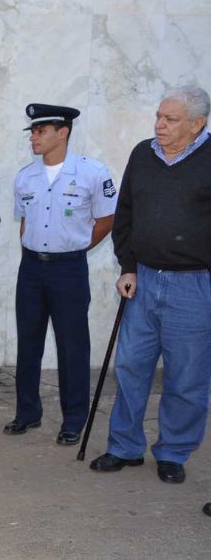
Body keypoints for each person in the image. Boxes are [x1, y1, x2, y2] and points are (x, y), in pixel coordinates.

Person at [90, 85, 210, 485]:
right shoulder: (144, 153)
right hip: (142, 279)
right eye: (159, 116)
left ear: (197, 124)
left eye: (170, 119)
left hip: (194, 286)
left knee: (186, 376)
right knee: (130, 367)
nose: (159, 125)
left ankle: (173, 451)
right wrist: (127, 266)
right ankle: (125, 447)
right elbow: (125, 212)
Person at [7, 104, 117, 445]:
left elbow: (106, 219)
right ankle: (27, 412)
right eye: (33, 132)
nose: (35, 138)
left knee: (72, 345)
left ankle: (73, 419)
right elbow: (24, 220)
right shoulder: (26, 176)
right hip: (31, 268)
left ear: (63, 132)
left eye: (41, 131)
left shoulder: (93, 173)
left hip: (68, 268)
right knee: (29, 342)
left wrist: (77, 249)